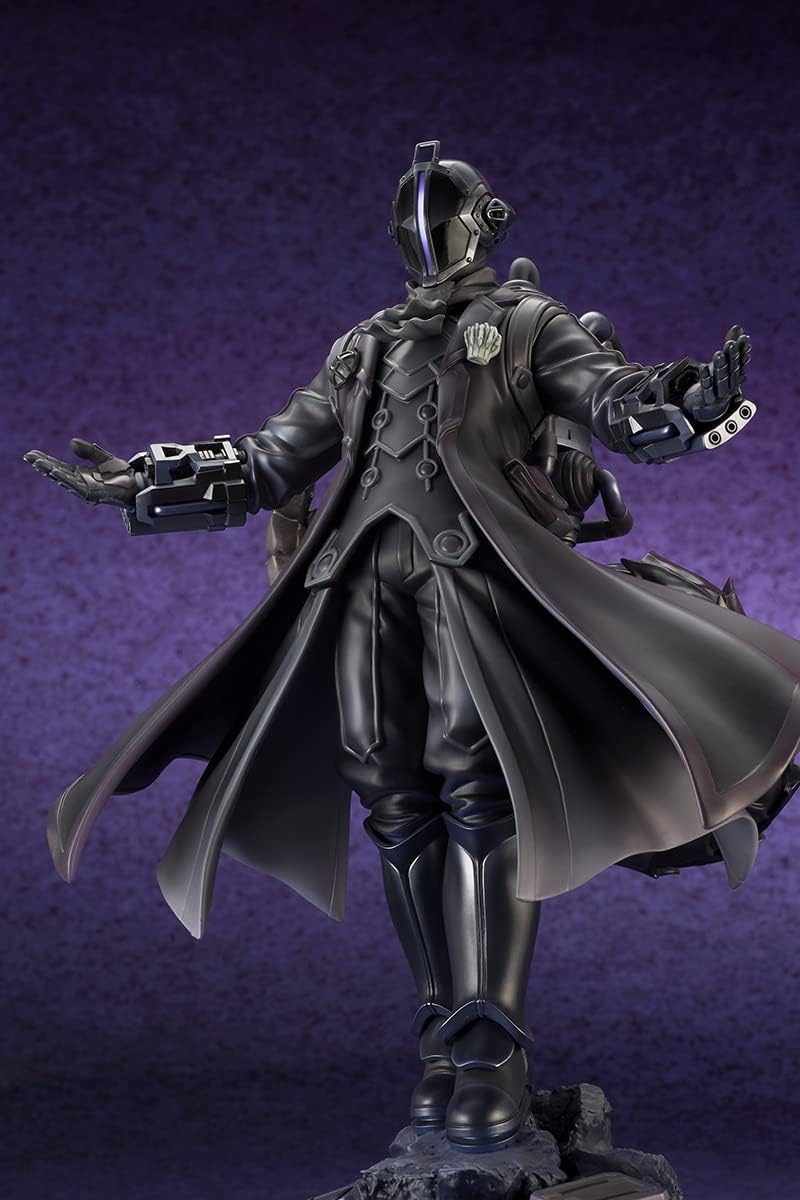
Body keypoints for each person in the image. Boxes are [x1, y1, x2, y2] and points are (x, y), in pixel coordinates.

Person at [25, 141, 800, 1153]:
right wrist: (147, 479)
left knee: (478, 791)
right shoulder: (364, 346)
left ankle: (489, 1055)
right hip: (356, 586)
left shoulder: (525, 325)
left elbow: (611, 397)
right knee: (392, 798)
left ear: (490, 222)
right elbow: (273, 458)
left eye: (448, 213)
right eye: (413, 218)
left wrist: (687, 402)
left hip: (477, 588)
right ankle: (443, 1046)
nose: (428, 232)